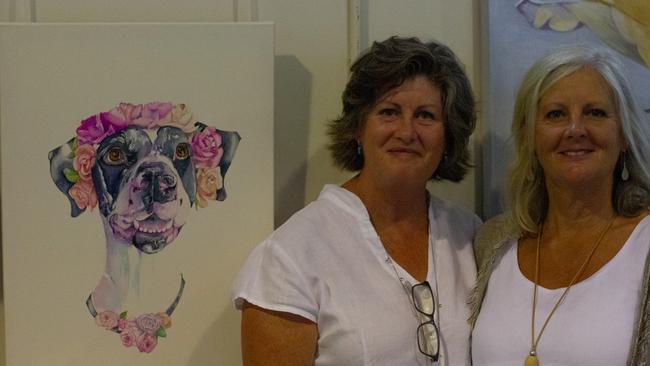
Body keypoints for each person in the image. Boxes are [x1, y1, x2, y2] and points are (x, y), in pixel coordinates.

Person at [232, 36, 480, 365]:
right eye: (389, 112)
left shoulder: (470, 235)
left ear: (449, 136)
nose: (407, 132)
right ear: (357, 128)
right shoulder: (290, 256)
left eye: (426, 116)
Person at [470, 44, 650, 365]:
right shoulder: (491, 242)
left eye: (595, 112)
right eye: (556, 114)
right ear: (530, 137)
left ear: (623, 134)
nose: (575, 129)